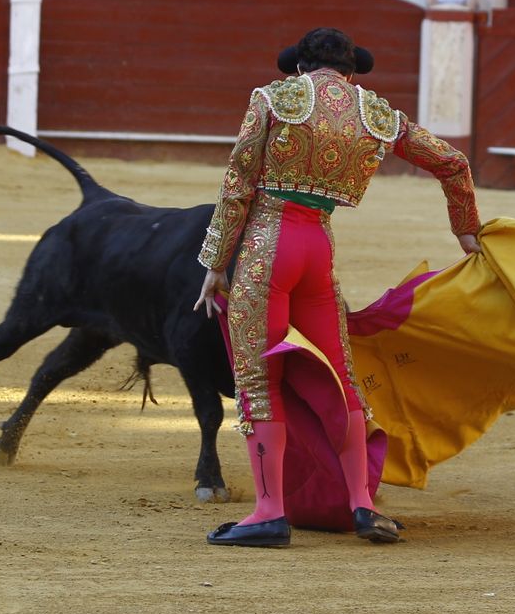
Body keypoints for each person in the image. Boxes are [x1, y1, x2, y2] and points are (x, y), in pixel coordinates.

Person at [194, 27, 480, 548]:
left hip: (269, 246)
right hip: (318, 251)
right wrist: (466, 229)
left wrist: (215, 263)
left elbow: (238, 183)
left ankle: (269, 512)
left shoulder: (274, 98)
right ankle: (363, 505)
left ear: (299, 67)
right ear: (351, 72)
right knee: (341, 377)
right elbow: (453, 163)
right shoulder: (376, 114)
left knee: (259, 380)